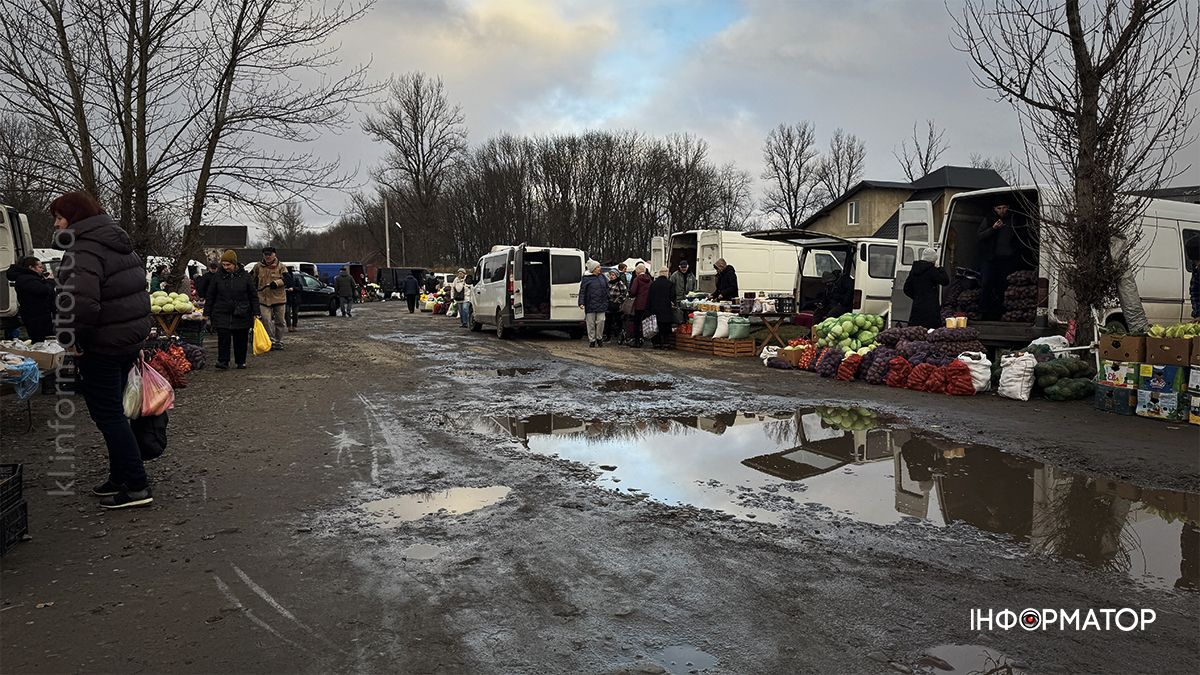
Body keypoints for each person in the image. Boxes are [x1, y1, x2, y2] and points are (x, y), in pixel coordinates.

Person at [50, 191, 152, 509]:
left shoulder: (83, 249)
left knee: (108, 416)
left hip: (101, 346)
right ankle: (119, 477)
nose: (56, 224)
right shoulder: (118, 244)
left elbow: (81, 305)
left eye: (59, 217)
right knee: (117, 414)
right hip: (123, 343)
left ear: (75, 217)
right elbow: (138, 296)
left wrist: (73, 340)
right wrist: (136, 342)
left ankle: (137, 486)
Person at [204, 250, 258, 370]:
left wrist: (256, 312)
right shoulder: (218, 277)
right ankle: (223, 361)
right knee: (223, 337)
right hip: (222, 312)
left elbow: (253, 295)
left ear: (234, 264)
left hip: (242, 312)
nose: (226, 267)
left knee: (241, 338)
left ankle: (241, 361)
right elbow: (210, 295)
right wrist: (206, 312)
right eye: (223, 265)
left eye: (228, 265)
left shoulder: (245, 276)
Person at [977, 203, 1024, 320]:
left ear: (1008, 207)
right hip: (990, 258)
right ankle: (984, 311)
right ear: (994, 209)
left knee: (1003, 285)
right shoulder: (989, 219)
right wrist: (993, 229)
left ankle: (1000, 312)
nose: (1002, 211)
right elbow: (980, 236)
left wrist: (1015, 251)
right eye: (999, 208)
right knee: (986, 284)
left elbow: (1020, 236)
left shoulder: (1013, 220)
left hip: (1007, 258)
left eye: (1004, 208)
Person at [7, 256, 56, 342]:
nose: (42, 269)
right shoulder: (26, 279)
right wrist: (50, 281)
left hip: (39, 316)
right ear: (31, 267)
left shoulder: (30, 278)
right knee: (42, 341)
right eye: (40, 267)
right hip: (37, 318)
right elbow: (43, 290)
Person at [250, 247, 288, 349]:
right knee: (266, 320)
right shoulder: (258, 267)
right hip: (263, 298)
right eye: (265, 254)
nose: (267, 256)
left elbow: (288, 280)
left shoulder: (281, 267)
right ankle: (270, 341)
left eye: (269, 254)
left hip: (279, 298)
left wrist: (277, 283)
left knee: (280, 321)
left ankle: (279, 341)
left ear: (274, 254)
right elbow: (251, 279)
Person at [904, 248, 950, 329]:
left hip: (917, 308)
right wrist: (940, 268)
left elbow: (906, 288)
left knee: (916, 331)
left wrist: (917, 297)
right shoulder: (932, 270)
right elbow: (945, 281)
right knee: (931, 331)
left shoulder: (914, 270)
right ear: (933, 260)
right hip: (931, 309)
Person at [578, 261, 609, 347]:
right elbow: (582, 291)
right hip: (590, 304)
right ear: (593, 269)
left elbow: (607, 288)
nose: (600, 268)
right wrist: (581, 302)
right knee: (590, 323)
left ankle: (599, 338)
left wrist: (608, 298)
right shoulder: (586, 278)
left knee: (601, 321)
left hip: (602, 303)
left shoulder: (602, 277)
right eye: (598, 267)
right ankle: (592, 340)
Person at [647, 266, 675, 348]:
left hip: (655, 308)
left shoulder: (653, 284)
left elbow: (649, 297)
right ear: (667, 273)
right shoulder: (670, 284)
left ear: (659, 273)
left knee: (656, 326)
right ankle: (665, 343)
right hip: (666, 308)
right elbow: (672, 296)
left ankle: (656, 343)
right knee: (665, 326)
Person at [628, 263, 652, 347]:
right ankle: (644, 338)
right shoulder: (649, 279)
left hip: (639, 304)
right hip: (647, 304)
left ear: (637, 271)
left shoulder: (637, 279)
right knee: (645, 321)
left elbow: (633, 291)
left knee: (637, 322)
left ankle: (637, 341)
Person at [604, 270, 627, 342]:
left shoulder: (620, 283)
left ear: (616, 276)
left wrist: (618, 301)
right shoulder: (608, 283)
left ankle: (619, 336)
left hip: (617, 305)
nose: (611, 276)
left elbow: (624, 294)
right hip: (609, 305)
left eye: (613, 275)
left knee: (618, 321)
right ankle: (608, 336)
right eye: (610, 275)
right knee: (608, 322)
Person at [284, 266, 302, 331]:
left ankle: (294, 326)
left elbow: (300, 288)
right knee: (287, 312)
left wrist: (293, 289)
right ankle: (289, 326)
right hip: (287, 298)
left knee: (295, 313)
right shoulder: (284, 279)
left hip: (294, 298)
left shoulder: (295, 278)